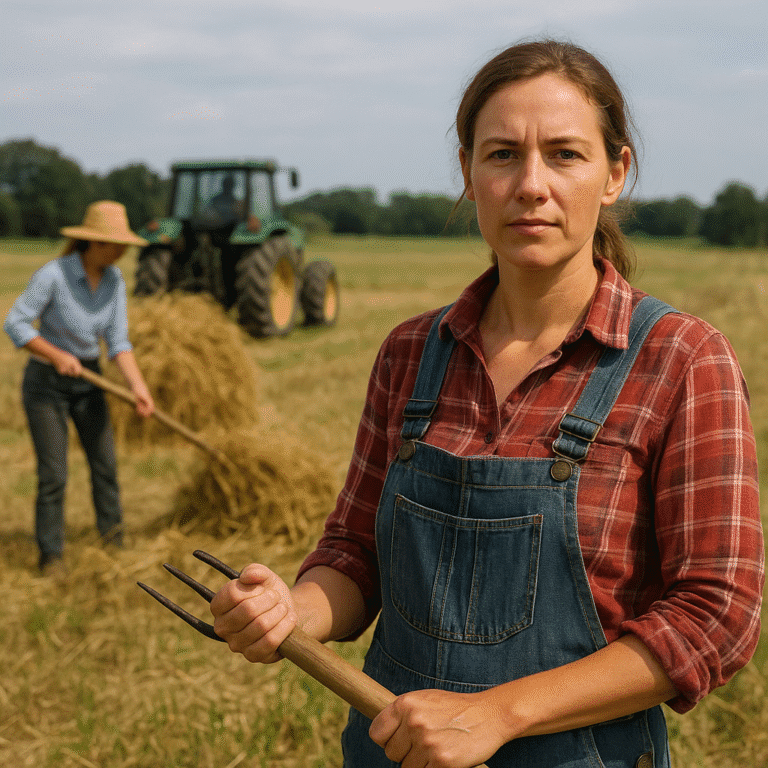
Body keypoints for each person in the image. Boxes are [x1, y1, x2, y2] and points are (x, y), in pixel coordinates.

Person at [208, 40, 764, 768]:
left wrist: (497, 714)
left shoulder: (682, 360)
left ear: (614, 174)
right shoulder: (411, 352)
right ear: (469, 174)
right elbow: (355, 555)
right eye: (502, 155)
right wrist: (295, 610)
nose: (531, 184)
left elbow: (716, 617)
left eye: (565, 154)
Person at [4, 200, 155, 575]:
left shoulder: (114, 280)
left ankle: (113, 540)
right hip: (47, 383)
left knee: (105, 465)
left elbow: (118, 342)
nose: (122, 251)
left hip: (90, 379)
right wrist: (56, 355)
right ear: (95, 243)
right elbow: (16, 324)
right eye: (116, 244)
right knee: (54, 474)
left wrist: (138, 387)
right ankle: (51, 555)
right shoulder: (53, 274)